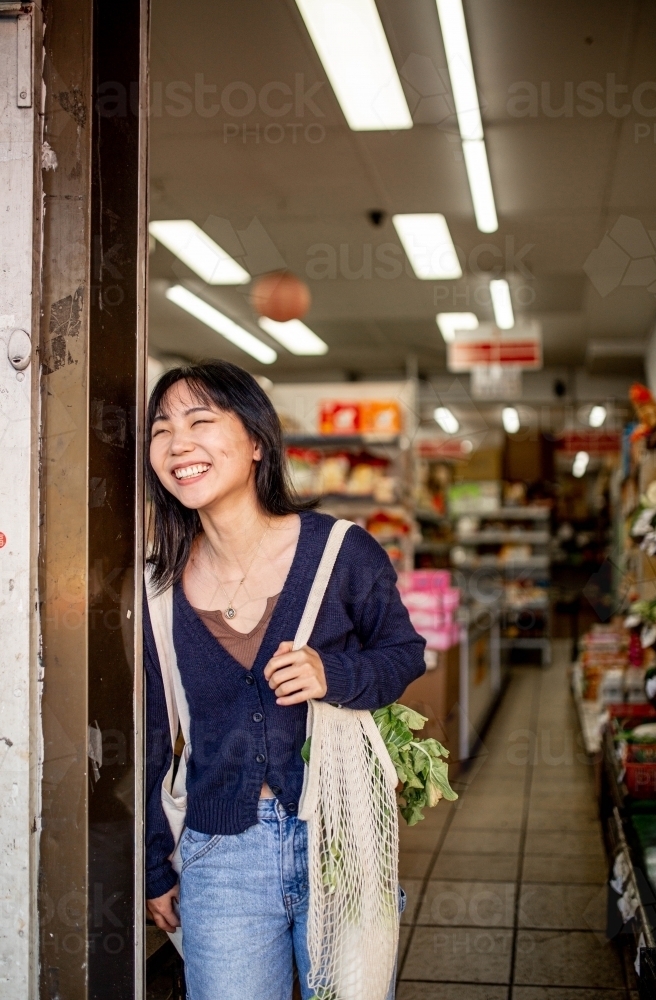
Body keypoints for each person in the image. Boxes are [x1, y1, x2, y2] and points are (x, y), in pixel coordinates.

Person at [144, 360, 426, 1000]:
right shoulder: (158, 588)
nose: (178, 442)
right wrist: (154, 858)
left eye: (200, 421)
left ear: (255, 444)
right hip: (222, 853)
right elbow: (153, 735)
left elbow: (404, 653)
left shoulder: (341, 552)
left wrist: (335, 672)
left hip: (341, 838)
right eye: (162, 428)